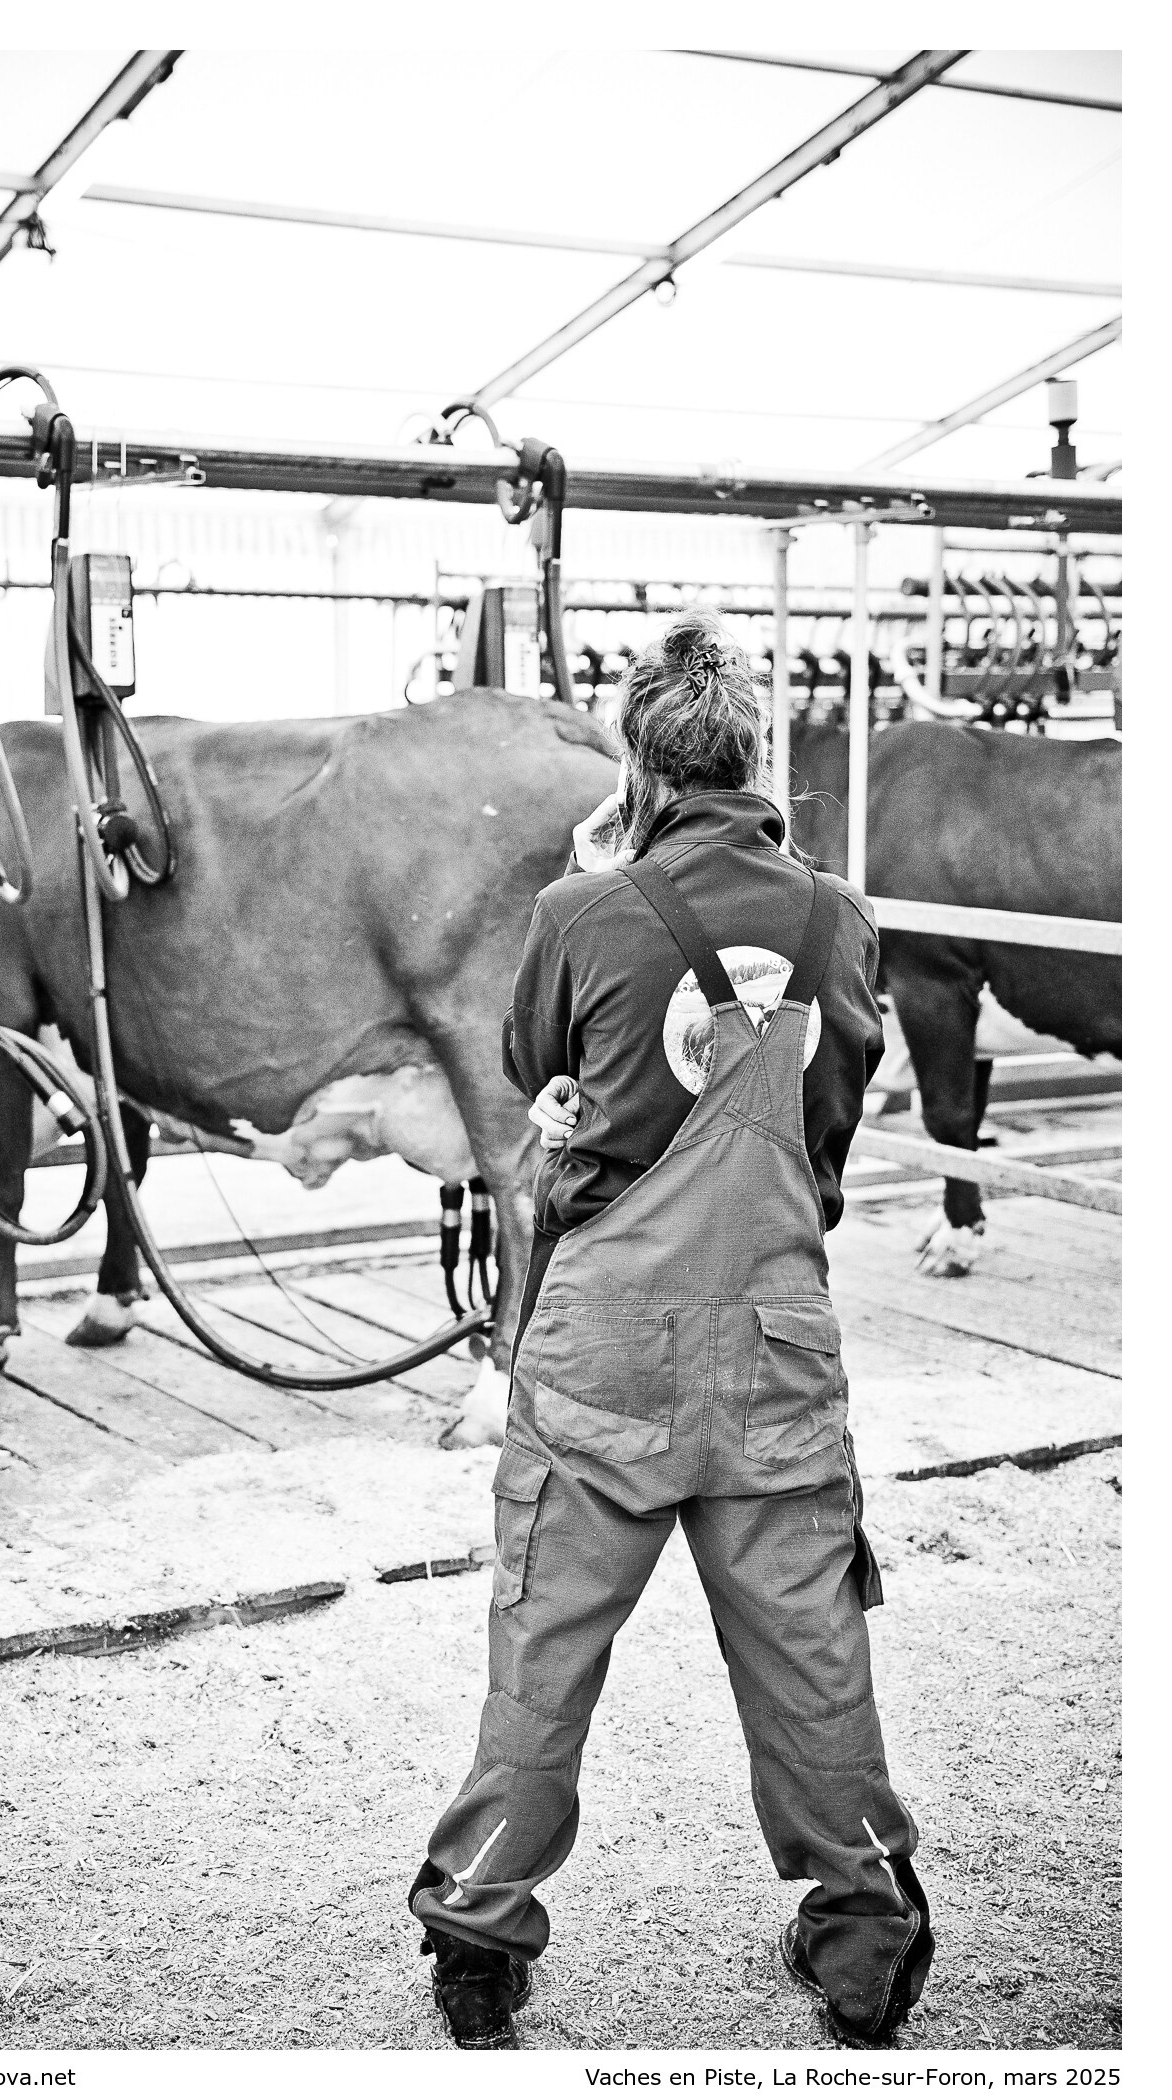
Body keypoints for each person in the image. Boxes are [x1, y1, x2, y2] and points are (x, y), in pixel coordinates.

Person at [408, 610, 931, 2050]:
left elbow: (534, 1065)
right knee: (809, 1653)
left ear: (637, 765)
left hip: (601, 1344)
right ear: (755, 760)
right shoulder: (838, 916)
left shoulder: (580, 911)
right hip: (773, 1334)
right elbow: (831, 1123)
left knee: (544, 1648)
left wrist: (598, 876)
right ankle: (863, 1942)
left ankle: (478, 1938)